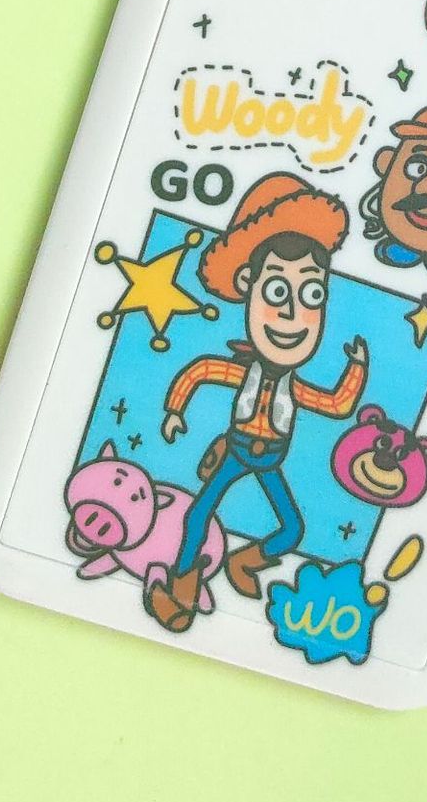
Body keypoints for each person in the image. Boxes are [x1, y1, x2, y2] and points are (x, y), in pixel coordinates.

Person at [146, 172, 368, 630]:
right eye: (277, 292)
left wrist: (357, 369)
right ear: (248, 283)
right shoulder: (241, 371)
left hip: (269, 460)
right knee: (198, 513)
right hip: (237, 449)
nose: (291, 313)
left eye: (312, 295)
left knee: (292, 529)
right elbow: (200, 371)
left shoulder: (295, 389)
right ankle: (182, 585)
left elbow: (336, 405)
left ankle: (245, 561)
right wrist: (174, 410)